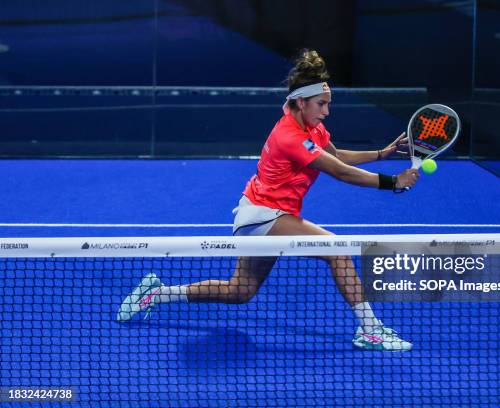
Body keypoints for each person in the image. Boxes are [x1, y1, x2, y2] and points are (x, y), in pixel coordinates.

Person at [117, 50, 419, 351]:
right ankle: (370, 329)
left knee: (241, 291)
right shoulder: (291, 137)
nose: (326, 111)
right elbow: (341, 172)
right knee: (337, 250)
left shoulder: (311, 127)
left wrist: (382, 154)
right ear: (301, 101)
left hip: (262, 214)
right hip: (265, 217)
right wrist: (393, 182)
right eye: (321, 104)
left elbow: (337, 156)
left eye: (328, 104)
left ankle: (157, 294)